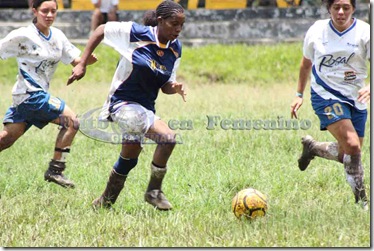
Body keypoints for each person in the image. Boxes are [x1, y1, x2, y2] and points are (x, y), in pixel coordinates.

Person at [68, 0, 186, 210]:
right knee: (134, 129)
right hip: (122, 103)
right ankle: (108, 199)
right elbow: (101, 29)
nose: (178, 29)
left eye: (181, 25)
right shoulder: (136, 34)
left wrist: (174, 87)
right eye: (173, 24)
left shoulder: (175, 48)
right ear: (160, 21)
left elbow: (166, 85)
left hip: (145, 109)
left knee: (167, 141)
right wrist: (82, 63)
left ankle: (147, 193)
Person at [0, 0, 97, 189]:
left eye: (53, 11)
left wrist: (86, 61)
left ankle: (55, 170)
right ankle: (55, 170)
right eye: (45, 11)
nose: (49, 15)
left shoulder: (58, 36)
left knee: (6, 140)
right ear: (34, 10)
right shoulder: (23, 35)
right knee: (72, 122)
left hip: (30, 97)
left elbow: (75, 60)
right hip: (30, 95)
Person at [290, 0, 370, 209]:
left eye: (346, 7)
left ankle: (313, 148)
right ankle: (362, 202)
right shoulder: (317, 30)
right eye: (336, 7)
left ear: (353, 9)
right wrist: (299, 94)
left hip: (356, 97)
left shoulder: (365, 32)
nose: (341, 12)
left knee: (349, 154)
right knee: (352, 145)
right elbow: (306, 63)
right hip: (325, 94)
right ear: (329, 8)